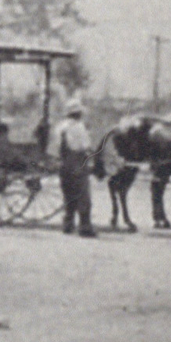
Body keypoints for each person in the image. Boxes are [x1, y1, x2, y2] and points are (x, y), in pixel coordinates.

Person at [55, 95, 97, 237]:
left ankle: (68, 223)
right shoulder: (79, 127)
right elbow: (86, 146)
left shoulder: (60, 127)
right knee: (83, 194)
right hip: (77, 162)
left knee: (68, 193)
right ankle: (85, 227)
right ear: (78, 113)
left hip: (63, 163)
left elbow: (55, 147)